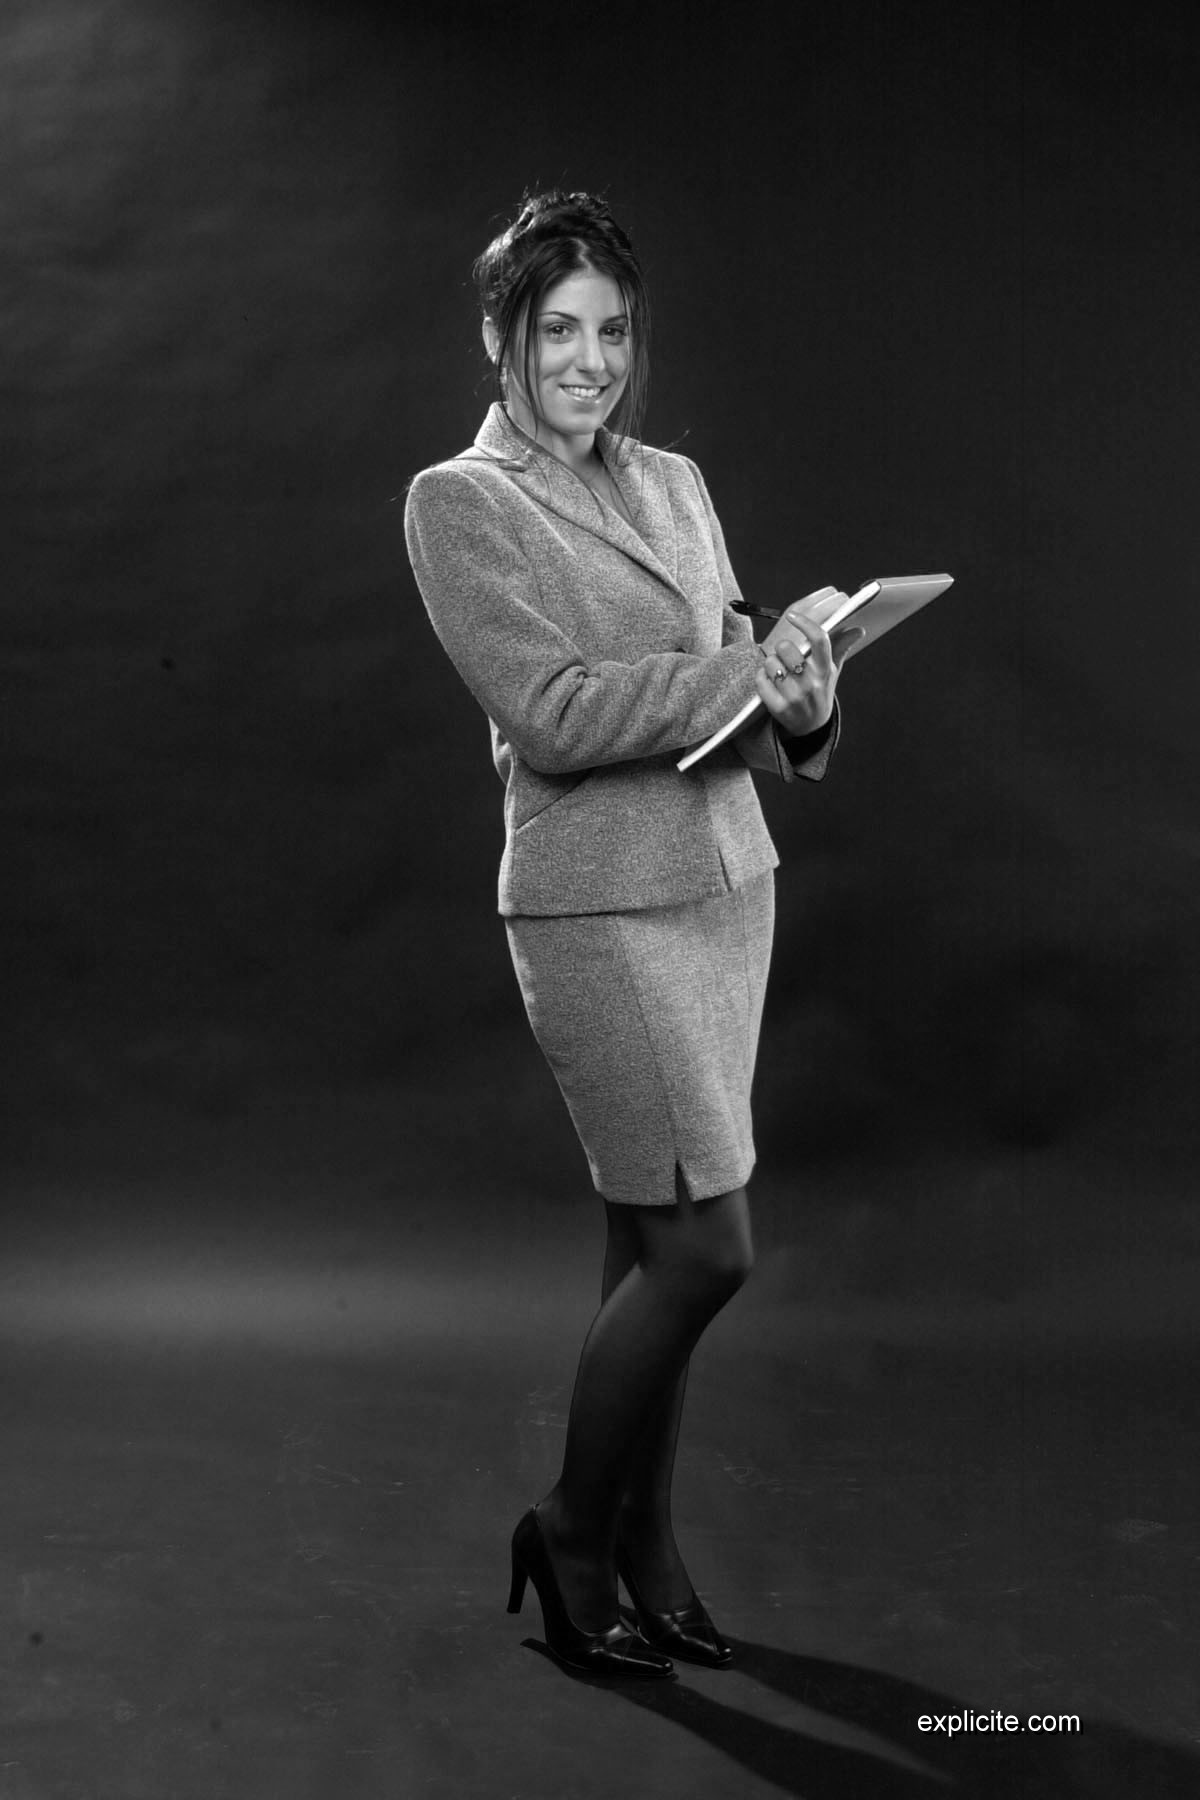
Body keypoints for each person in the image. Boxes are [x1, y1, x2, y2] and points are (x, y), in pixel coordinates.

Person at [404, 190, 861, 1681]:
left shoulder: (674, 479)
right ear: (502, 337)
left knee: (644, 1236)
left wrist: (800, 699)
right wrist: (734, 669)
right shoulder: (460, 504)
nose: (590, 361)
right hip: (598, 905)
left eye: (612, 330)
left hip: (725, 887)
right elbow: (550, 714)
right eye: (558, 330)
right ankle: (569, 1529)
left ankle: (647, 1553)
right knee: (705, 1251)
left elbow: (729, 674)